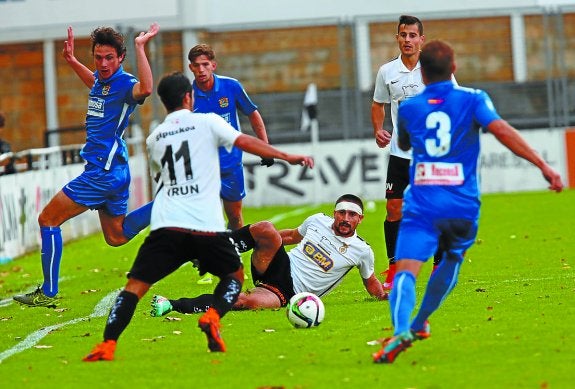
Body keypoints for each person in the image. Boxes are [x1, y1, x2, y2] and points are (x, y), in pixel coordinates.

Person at [83, 71, 313, 361]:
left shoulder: (154, 139)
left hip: (168, 224)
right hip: (205, 225)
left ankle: (108, 345)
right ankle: (213, 317)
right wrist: (285, 156)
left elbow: (162, 177)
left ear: (164, 103)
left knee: (135, 287)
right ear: (189, 97)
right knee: (234, 277)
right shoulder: (208, 121)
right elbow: (244, 142)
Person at [372, 40, 563, 364]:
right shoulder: (474, 99)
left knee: (405, 270)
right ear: (454, 69)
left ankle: (403, 327)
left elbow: (404, 143)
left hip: (423, 202)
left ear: (423, 73)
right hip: (461, 205)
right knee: (450, 261)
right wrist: (543, 166)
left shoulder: (410, 109)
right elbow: (501, 130)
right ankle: (420, 323)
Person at [13, 23, 160, 308]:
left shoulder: (125, 84)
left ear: (120, 58)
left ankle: (48, 292)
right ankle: (165, 204)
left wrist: (141, 47)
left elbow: (146, 88)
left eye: (109, 58)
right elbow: (93, 80)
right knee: (116, 236)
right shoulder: (102, 82)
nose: (103, 64)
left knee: (48, 219)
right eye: (98, 57)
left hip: (101, 173)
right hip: (115, 170)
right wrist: (71, 60)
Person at [149, 193, 388, 317]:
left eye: (352, 215)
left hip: (289, 293)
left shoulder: (362, 250)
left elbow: (371, 282)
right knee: (265, 228)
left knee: (243, 302)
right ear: (334, 213)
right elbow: (291, 236)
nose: (346, 219)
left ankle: (170, 305)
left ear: (360, 219)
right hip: (277, 266)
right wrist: (265, 239)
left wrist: (384, 296)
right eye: (342, 213)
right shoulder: (317, 221)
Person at [188, 43, 273, 285]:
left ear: (213, 65)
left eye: (206, 64)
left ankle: (233, 262)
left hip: (231, 164)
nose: (202, 69)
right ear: (190, 68)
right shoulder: (188, 95)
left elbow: (252, 114)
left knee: (235, 217)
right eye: (197, 65)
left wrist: (264, 146)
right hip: (202, 166)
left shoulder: (231, 86)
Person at [371, 15, 444, 291]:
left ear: (422, 40)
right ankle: (394, 267)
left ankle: (439, 266)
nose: (408, 40)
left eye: (413, 35)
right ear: (397, 38)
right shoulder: (387, 72)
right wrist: (378, 129)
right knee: (393, 209)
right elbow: (378, 103)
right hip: (400, 153)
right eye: (403, 35)